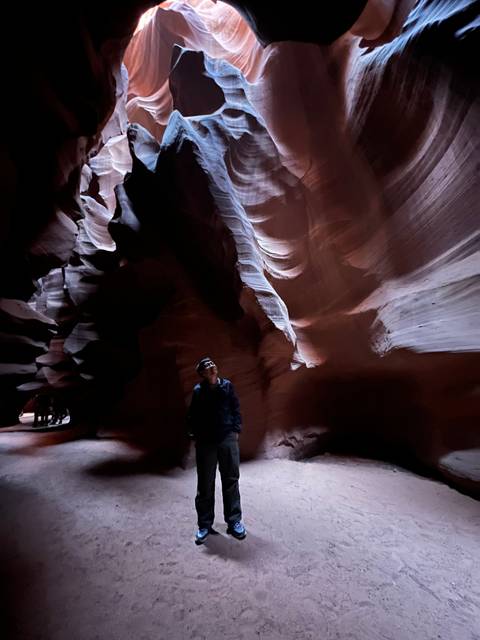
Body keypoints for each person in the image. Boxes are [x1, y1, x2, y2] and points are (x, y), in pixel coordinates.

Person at [186, 357, 246, 545]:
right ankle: (204, 525)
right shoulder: (199, 391)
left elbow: (236, 408)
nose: (211, 367)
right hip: (206, 443)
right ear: (202, 373)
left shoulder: (227, 386)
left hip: (227, 438)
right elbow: (193, 416)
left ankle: (234, 521)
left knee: (231, 480)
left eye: (212, 364)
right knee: (205, 483)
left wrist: (236, 429)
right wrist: (194, 435)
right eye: (207, 366)